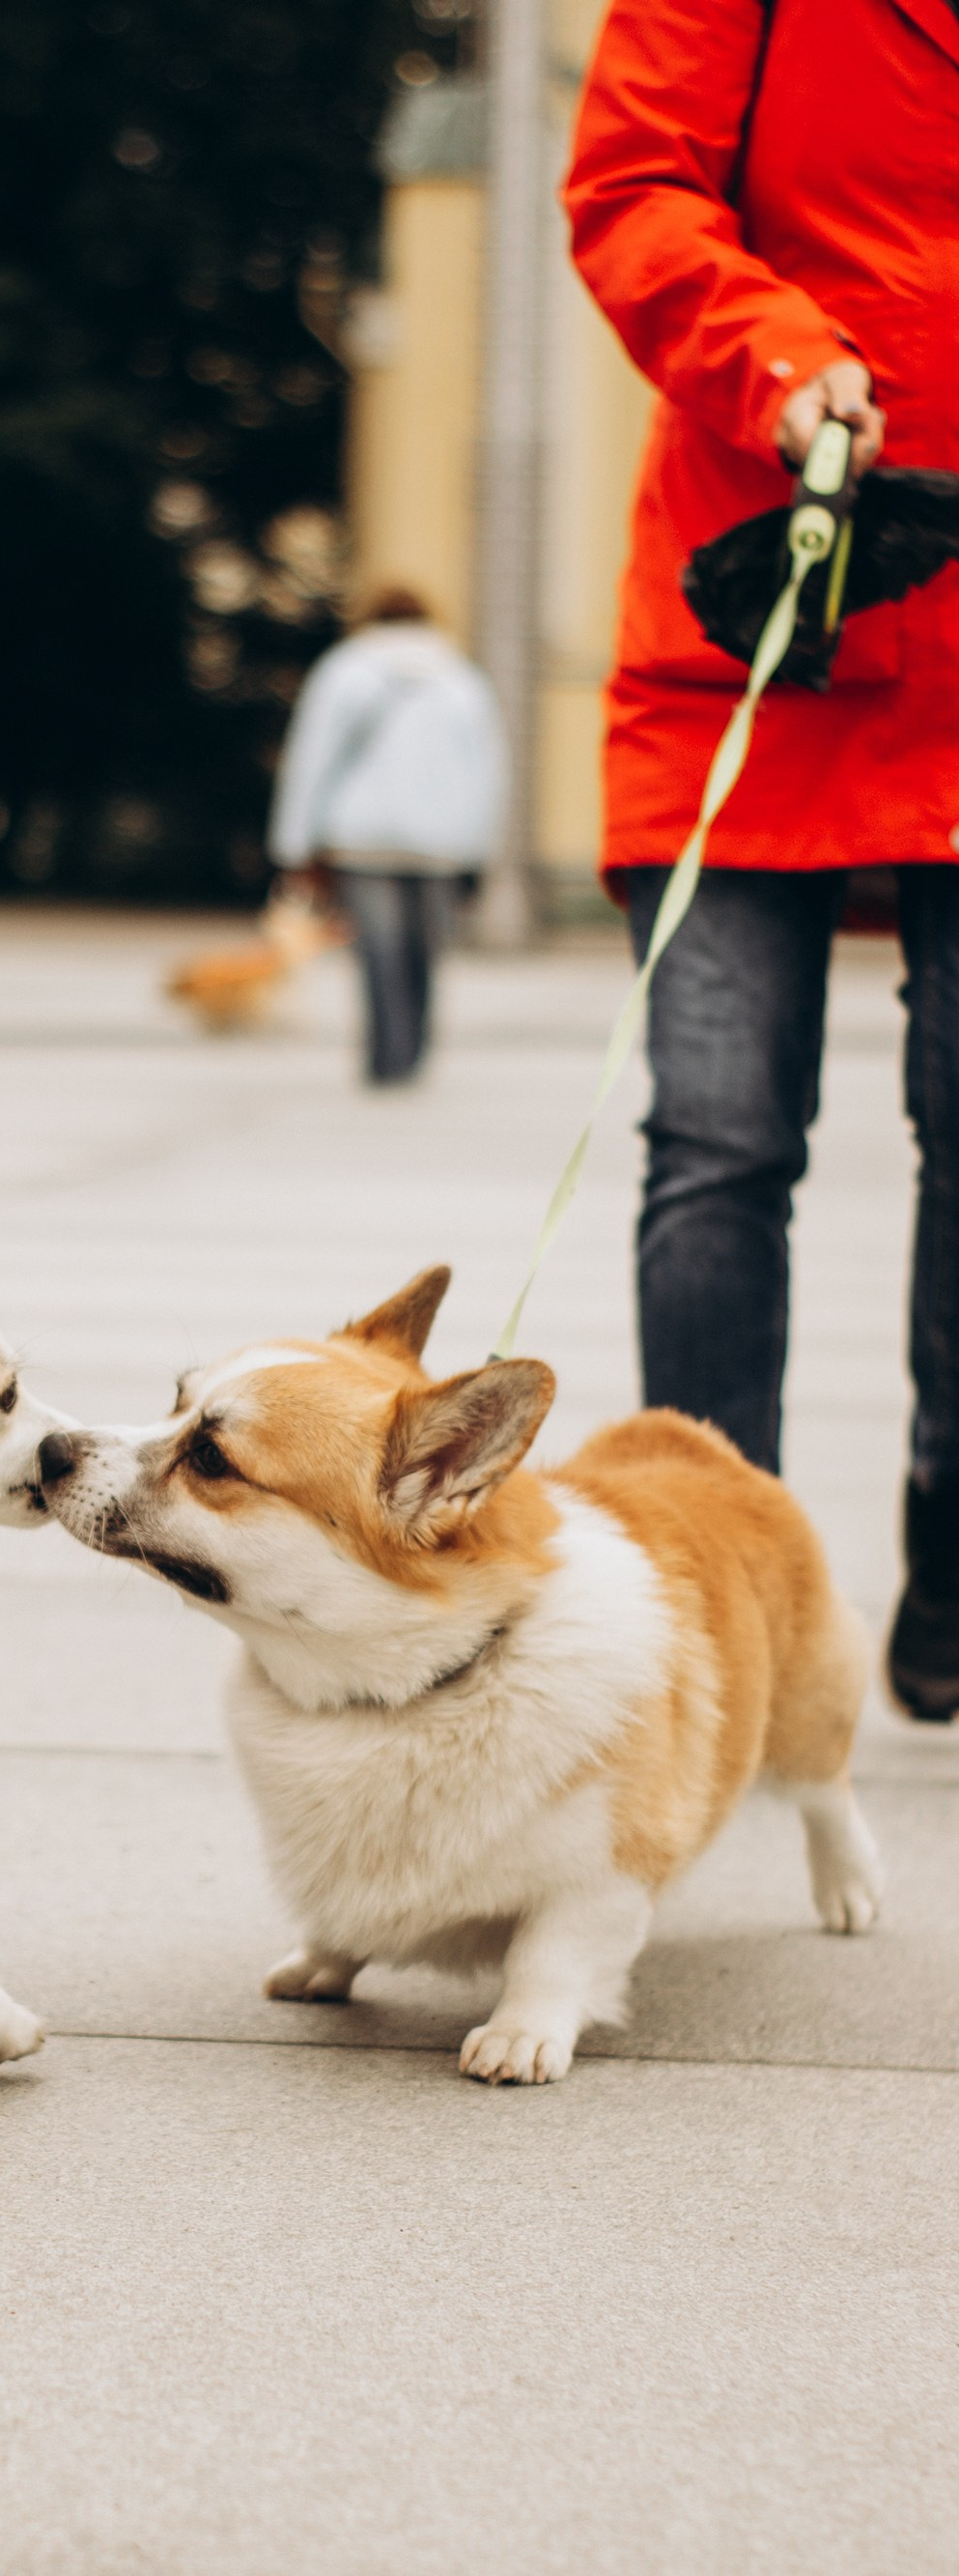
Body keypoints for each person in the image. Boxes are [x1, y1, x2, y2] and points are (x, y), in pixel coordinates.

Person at [565, 0, 959, 1718]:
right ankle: (726, 1598)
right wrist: (783, 364)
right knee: (720, 1138)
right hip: (769, 593)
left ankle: (953, 1534)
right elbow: (633, 183)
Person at [267, 586, 504, 1085]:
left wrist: (293, 843)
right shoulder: (463, 678)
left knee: (378, 948)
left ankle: (383, 1057)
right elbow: (488, 769)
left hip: (362, 835)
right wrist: (480, 847)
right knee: (426, 950)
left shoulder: (344, 670)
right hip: (441, 840)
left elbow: (313, 759)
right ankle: (414, 1052)